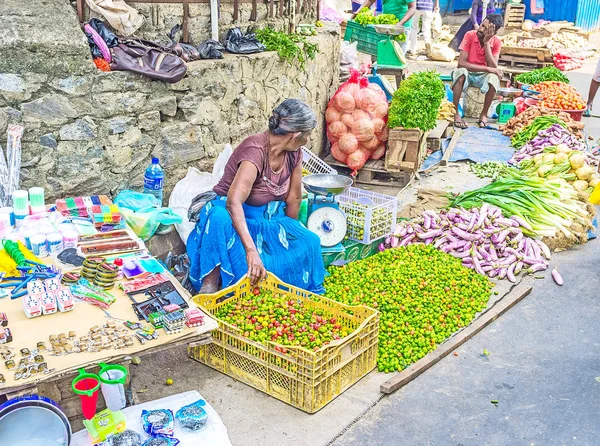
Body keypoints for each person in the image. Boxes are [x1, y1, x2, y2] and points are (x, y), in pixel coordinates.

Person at [186, 99, 325, 294]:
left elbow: (294, 198)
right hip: (234, 216)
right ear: (296, 135)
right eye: (308, 135)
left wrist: (285, 237)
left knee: (310, 242)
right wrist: (251, 251)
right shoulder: (255, 150)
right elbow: (234, 202)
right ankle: (210, 282)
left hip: (266, 219)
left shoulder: (295, 153)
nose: (308, 140)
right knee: (223, 225)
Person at [451, 14, 504, 129]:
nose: (480, 29)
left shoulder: (496, 42)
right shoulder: (470, 35)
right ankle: (455, 114)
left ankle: (483, 115)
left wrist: (486, 43)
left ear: (493, 32)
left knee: (494, 78)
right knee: (460, 72)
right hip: (468, 73)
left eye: (486, 28)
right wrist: (487, 68)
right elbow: (461, 63)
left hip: (482, 77)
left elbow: (493, 67)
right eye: (481, 25)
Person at [352, 0, 416, 51]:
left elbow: (412, 8)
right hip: (386, 26)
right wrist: (358, 12)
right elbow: (370, 1)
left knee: (398, 57)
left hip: (402, 27)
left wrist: (400, 23)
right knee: (383, 53)